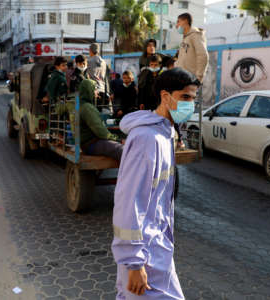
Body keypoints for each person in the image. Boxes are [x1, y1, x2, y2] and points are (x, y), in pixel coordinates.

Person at [112, 68, 200, 299]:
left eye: (193, 98)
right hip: (145, 254)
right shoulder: (147, 139)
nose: (190, 105)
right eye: (185, 97)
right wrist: (133, 263)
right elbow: (129, 203)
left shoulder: (165, 134)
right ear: (165, 96)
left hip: (157, 247)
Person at [77, 79, 123, 160]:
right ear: (88, 90)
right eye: (94, 89)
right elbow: (100, 131)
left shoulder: (80, 104)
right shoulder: (87, 107)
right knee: (122, 149)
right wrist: (117, 139)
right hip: (91, 144)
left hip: (86, 143)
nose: (97, 92)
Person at [175, 13, 209, 83]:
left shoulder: (196, 35)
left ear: (185, 21)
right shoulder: (186, 38)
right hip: (181, 78)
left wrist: (198, 78)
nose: (176, 25)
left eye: (178, 21)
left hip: (191, 79)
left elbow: (203, 56)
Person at [87, 43, 109, 107]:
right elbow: (106, 78)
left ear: (90, 50)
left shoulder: (89, 61)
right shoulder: (103, 62)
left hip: (93, 90)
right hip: (102, 89)